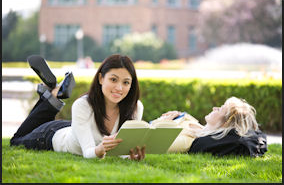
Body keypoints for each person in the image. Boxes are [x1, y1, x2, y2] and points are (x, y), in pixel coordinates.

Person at [10, 54, 145, 161]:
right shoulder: (83, 105)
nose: (119, 88)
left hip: (75, 128)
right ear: (101, 79)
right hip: (50, 135)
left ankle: (53, 94)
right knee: (16, 141)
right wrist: (100, 149)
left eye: (126, 82)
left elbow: (121, 150)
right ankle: (51, 95)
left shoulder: (135, 107)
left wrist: (131, 156)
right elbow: (88, 153)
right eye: (113, 80)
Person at [155, 96, 267, 157]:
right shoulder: (198, 125)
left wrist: (164, 124)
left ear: (225, 123)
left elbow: (153, 143)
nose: (214, 108)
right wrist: (179, 115)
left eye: (219, 109)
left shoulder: (188, 141)